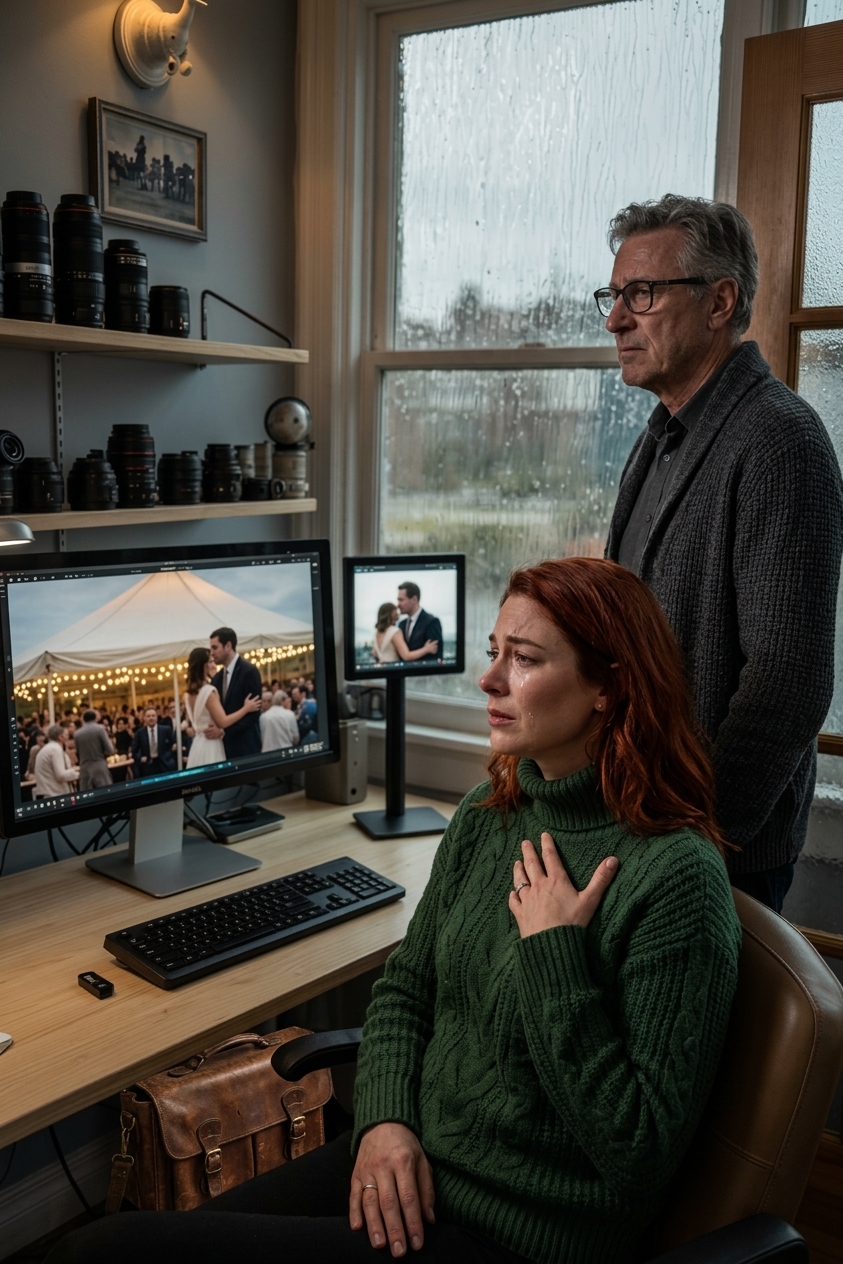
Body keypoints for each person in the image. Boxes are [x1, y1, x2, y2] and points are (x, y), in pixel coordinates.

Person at [46, 558, 741, 1264]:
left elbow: (640, 1155)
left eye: (524, 659)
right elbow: (406, 988)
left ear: (609, 687)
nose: (490, 680)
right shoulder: (489, 814)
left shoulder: (676, 876)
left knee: (95, 1257)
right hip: (408, 1154)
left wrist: (556, 955)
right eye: (494, 651)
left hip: (514, 1230)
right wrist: (381, 1120)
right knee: (100, 1249)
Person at [598, 193, 843, 912]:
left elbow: (788, 681)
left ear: (719, 301)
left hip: (712, 856)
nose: (616, 318)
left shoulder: (779, 442)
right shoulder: (659, 436)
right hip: (638, 829)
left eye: (640, 293)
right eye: (613, 295)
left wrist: (693, 842)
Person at [184, 647, 262, 769]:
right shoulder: (208, 691)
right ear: (204, 666)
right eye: (210, 661)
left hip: (197, 745)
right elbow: (223, 721)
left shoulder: (188, 695)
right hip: (211, 745)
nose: (214, 664)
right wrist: (246, 708)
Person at [202, 627, 264, 759]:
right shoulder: (217, 678)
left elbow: (253, 715)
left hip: (246, 749)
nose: (211, 653)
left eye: (215, 647)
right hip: (223, 750)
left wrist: (224, 731)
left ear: (228, 646)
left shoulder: (249, 671)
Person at [372, 602, 438, 664]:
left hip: (382, 671)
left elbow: (374, 653)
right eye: (395, 610)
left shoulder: (376, 633)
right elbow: (406, 656)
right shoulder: (394, 631)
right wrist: (426, 649)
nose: (398, 612)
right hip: (394, 671)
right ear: (391, 613)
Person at [397, 583, 443, 662]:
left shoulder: (431, 622)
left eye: (401, 600)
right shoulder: (401, 624)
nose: (398, 604)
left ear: (414, 599)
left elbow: (435, 657)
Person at [73, 709, 114, 791]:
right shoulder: (100, 729)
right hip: (99, 765)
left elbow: (77, 751)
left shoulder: (77, 734)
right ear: (95, 718)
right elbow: (110, 750)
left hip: (84, 767)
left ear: (83, 719)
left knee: (86, 796)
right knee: (106, 793)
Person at [33, 726, 78, 799]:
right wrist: (76, 774)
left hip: (49, 794)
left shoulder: (47, 749)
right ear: (60, 737)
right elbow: (61, 775)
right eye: (66, 735)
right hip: (56, 795)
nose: (68, 737)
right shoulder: (55, 750)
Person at [132, 706, 177, 778]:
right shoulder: (140, 733)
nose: (151, 718)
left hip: (164, 764)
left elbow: (173, 744)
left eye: (153, 716)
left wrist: (169, 757)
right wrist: (140, 758)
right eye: (148, 716)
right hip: (148, 767)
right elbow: (134, 750)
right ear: (144, 718)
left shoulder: (166, 730)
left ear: (157, 717)